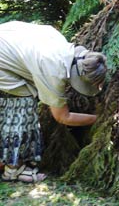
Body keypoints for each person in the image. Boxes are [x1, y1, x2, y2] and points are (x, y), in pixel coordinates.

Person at [0, 21, 107, 183]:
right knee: (23, 105)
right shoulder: (53, 70)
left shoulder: (61, 44)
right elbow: (63, 117)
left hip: (6, 37)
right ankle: (13, 169)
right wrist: (100, 119)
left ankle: (9, 158)